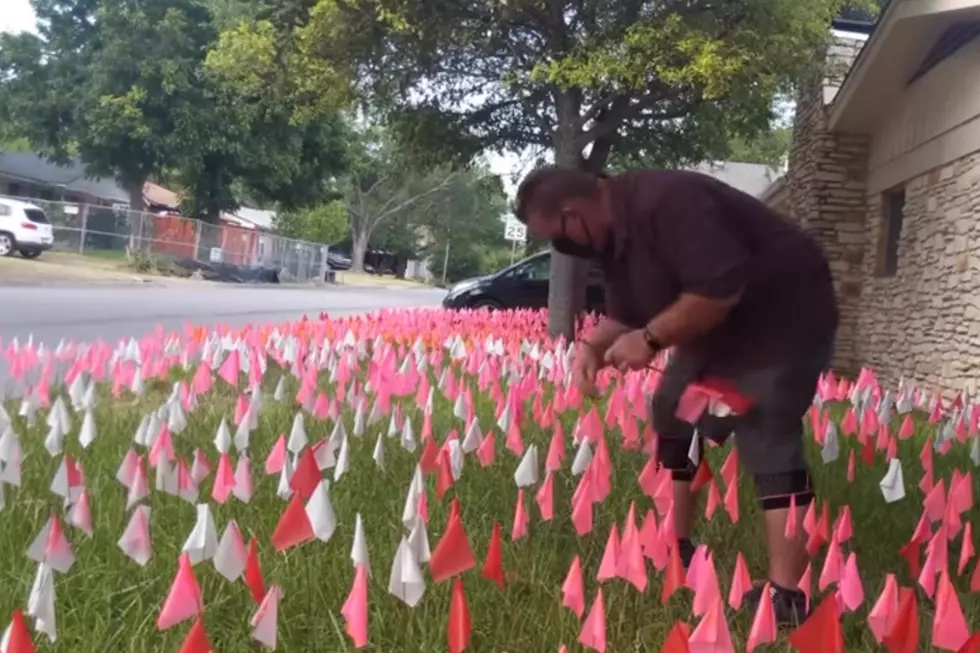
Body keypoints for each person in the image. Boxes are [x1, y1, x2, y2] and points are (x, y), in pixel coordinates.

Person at [514, 165, 838, 625]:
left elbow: (720, 288)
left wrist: (648, 340)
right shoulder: (611, 239)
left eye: (556, 235)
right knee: (673, 411)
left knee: (765, 431)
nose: (560, 248)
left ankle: (786, 595)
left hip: (781, 324)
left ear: (573, 212)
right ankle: (678, 544)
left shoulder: (667, 200)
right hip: (716, 330)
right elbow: (625, 313)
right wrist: (592, 346)